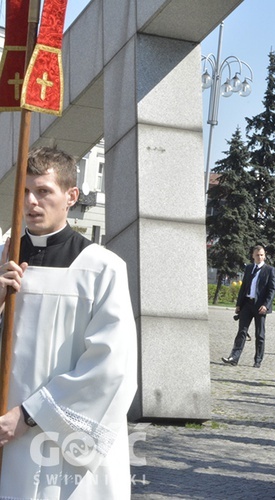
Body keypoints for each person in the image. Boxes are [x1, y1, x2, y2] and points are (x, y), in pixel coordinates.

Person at [0, 147, 138, 498]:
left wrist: (31, 414)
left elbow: (112, 367)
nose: (31, 202)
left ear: (71, 196)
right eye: (25, 191)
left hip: (58, 442)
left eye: (44, 191)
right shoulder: (4, 258)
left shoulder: (101, 269)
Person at [222, 244, 275, 368]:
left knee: (260, 334)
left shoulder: (269, 270)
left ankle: (258, 360)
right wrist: (238, 304)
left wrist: (266, 305)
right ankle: (234, 358)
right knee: (241, 331)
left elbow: (272, 290)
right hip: (247, 304)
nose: (259, 257)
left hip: (260, 307)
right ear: (253, 255)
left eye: (261, 255)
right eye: (257, 255)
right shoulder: (249, 268)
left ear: (265, 256)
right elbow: (244, 287)